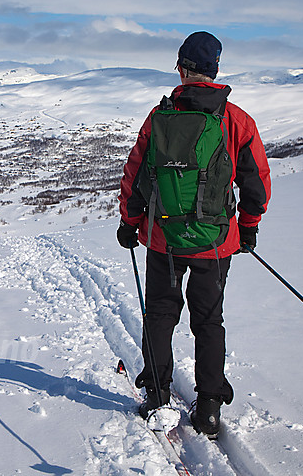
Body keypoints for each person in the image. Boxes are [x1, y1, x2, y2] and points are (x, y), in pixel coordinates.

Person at [117, 31, 271, 436]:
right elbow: (255, 184)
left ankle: (157, 395)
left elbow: (135, 176)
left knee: (161, 315)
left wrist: (129, 223)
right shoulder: (236, 120)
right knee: (208, 321)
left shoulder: (159, 117)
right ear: (215, 71)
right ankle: (208, 407)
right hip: (215, 243)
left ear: (182, 69)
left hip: (162, 240)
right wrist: (248, 229)